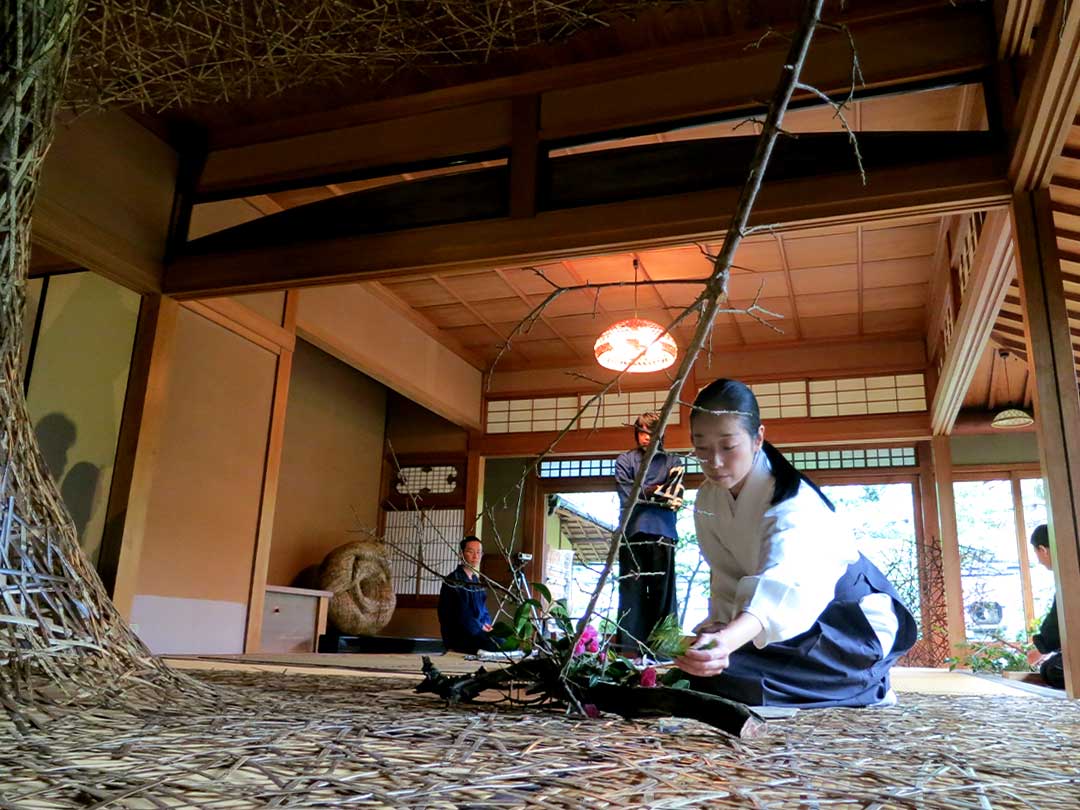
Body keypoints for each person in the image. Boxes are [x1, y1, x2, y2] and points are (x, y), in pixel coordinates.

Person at [673, 378, 917, 708]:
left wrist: (727, 642)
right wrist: (718, 631)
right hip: (787, 624)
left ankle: (869, 684)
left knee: (737, 682)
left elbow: (783, 587)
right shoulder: (709, 497)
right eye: (701, 449)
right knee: (703, 678)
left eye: (728, 447)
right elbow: (726, 575)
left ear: (758, 437)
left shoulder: (792, 505)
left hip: (848, 625)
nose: (714, 462)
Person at [614, 411, 683, 657]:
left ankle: (663, 653)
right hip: (632, 533)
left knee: (663, 594)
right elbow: (627, 495)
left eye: (651, 432)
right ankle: (629, 652)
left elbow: (674, 497)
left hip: (663, 532)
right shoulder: (625, 460)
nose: (645, 437)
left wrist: (645, 492)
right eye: (641, 431)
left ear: (660, 433)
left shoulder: (672, 460)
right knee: (630, 593)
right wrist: (656, 491)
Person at [438, 536, 501, 654]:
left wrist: (487, 625)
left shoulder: (476, 580)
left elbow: (484, 610)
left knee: (505, 641)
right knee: (498, 644)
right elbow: (461, 614)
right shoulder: (453, 580)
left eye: (478, 552)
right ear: (461, 554)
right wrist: (480, 627)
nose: (475, 556)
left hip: (477, 631)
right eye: (470, 552)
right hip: (460, 634)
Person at [1026, 524, 1064, 688]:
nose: (1038, 560)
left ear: (1043, 549)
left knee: (1051, 669)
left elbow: (1059, 620)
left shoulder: (1070, 575)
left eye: (1036, 552)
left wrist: (1044, 646)